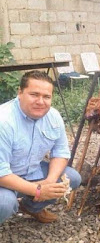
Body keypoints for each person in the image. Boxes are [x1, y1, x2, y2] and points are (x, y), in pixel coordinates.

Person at [0, 70, 81, 225]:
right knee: (4, 203)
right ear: (20, 93)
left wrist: (50, 182)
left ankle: (30, 207)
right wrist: (38, 190)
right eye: (34, 94)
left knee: (72, 178)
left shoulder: (54, 116)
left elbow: (61, 152)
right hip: (5, 179)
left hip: (31, 172)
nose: (40, 101)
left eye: (46, 97)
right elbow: (1, 173)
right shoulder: (3, 121)